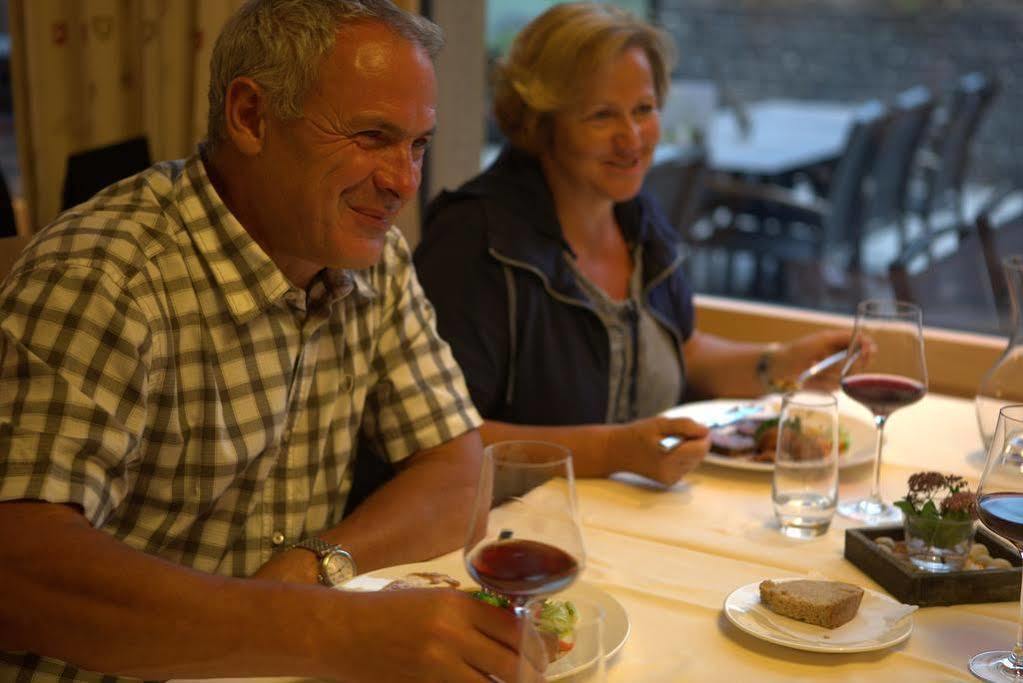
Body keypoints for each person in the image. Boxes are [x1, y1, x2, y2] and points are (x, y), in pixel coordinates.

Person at [0, 1, 545, 681]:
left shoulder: (373, 258)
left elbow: (457, 471)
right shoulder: (106, 269)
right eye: (372, 135)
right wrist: (326, 627)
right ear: (251, 117)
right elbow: (19, 567)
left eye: (417, 144)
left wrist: (313, 566)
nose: (403, 182)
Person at [414, 2, 850, 487]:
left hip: (630, 523)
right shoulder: (475, 240)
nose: (632, 139)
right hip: (514, 537)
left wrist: (778, 365)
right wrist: (612, 450)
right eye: (602, 116)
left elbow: (677, 350)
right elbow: (441, 442)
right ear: (540, 122)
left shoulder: (635, 215)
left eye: (644, 110)